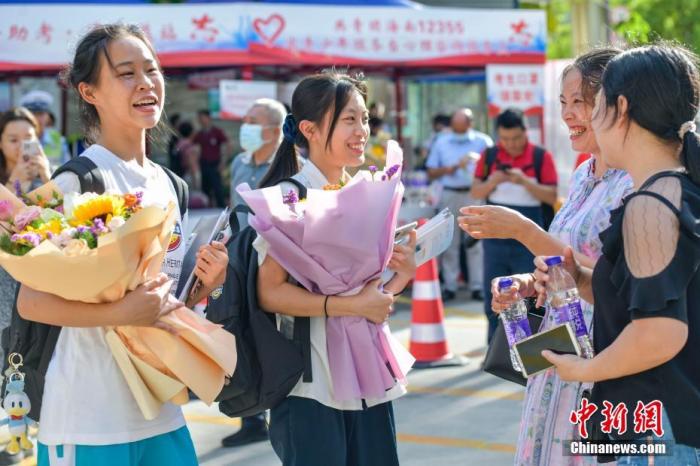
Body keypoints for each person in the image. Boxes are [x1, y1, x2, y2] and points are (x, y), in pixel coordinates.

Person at [16, 23, 229, 466]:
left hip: (160, 405)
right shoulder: (73, 181)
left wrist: (200, 288)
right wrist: (119, 313)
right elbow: (32, 303)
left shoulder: (172, 185)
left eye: (152, 70)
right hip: (86, 414)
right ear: (89, 92)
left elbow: (164, 295)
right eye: (126, 73)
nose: (146, 82)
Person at [460, 48, 631, 465]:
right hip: (559, 350)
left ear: (616, 105)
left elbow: (607, 276)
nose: (568, 115)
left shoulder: (636, 182)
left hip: (604, 351)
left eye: (580, 103)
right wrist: (526, 283)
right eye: (563, 103)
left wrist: (522, 230)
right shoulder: (581, 174)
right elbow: (564, 262)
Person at [534, 43, 700, 465]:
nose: (584, 117)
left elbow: (660, 334)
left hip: (655, 434)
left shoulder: (652, 202)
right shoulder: (676, 190)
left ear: (621, 108)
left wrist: (583, 370)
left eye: (596, 103)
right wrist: (582, 277)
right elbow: (650, 301)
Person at [255, 71, 416, 466]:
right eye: (349, 119)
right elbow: (269, 293)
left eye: (364, 119)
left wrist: (404, 274)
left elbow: (370, 298)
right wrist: (349, 306)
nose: (362, 130)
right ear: (309, 129)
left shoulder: (367, 191)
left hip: (369, 376)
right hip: (311, 385)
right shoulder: (287, 198)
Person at [222, 97, 287, 448]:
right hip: (239, 257)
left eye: (253, 121)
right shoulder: (239, 162)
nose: (245, 126)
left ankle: (275, 408)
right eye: (245, 120)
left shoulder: (290, 167)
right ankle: (251, 415)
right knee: (239, 332)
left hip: (274, 262)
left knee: (271, 335)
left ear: (275, 130)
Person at [469, 109, 557, 342]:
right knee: (495, 298)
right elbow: (476, 191)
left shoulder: (540, 156)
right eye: (505, 139)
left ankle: (528, 352)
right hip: (495, 240)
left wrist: (525, 181)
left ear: (525, 132)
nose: (511, 144)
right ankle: (494, 350)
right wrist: (493, 181)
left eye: (516, 138)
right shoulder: (488, 156)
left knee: (530, 297)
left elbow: (551, 196)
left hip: (528, 239)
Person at [426, 108, 493, 301]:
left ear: (470, 124)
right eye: (454, 124)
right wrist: (455, 167)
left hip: (473, 194)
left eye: (460, 124)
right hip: (450, 193)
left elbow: (493, 166)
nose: (456, 128)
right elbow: (431, 172)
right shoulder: (441, 141)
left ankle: (477, 285)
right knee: (450, 241)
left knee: (475, 242)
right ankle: (450, 285)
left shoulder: (483, 141)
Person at [19, 90, 71, 170]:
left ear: (48, 116)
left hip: (52, 182)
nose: (36, 118)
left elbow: (67, 170)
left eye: (41, 114)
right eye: (32, 114)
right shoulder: (17, 139)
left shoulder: (58, 140)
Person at [195, 109, 229, 208]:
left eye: (202, 118)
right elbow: (193, 147)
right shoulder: (200, 134)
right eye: (199, 118)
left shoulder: (217, 132)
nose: (200, 120)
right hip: (203, 164)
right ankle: (207, 209)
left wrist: (223, 162)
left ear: (208, 118)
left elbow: (228, 145)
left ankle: (221, 209)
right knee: (205, 188)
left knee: (217, 187)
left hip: (215, 164)